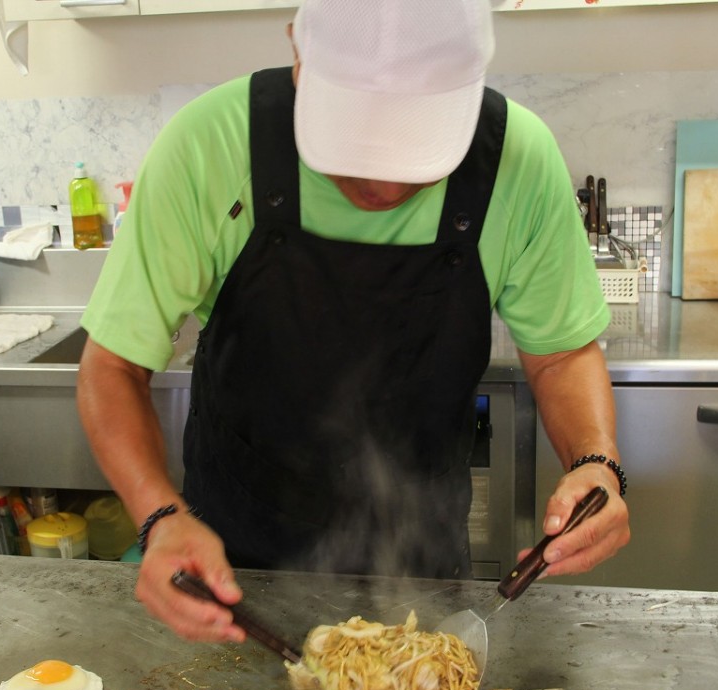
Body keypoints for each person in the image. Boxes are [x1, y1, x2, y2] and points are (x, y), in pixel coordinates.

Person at [77, 0, 630, 644]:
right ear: (298, 54)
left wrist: (597, 461)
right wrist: (158, 516)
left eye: (418, 157)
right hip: (233, 579)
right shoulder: (211, 146)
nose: (382, 189)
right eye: (349, 145)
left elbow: (563, 353)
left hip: (422, 577)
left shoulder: (519, 159)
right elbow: (112, 366)